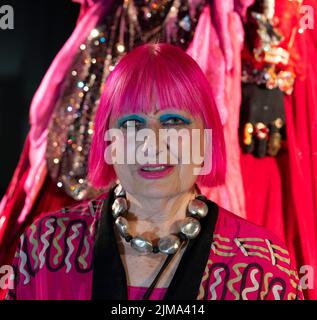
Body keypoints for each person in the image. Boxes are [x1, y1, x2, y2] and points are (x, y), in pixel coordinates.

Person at [8, 44, 302, 300]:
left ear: (205, 139)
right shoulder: (45, 246)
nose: (151, 144)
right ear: (108, 143)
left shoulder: (262, 266)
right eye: (131, 123)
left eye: (173, 120)